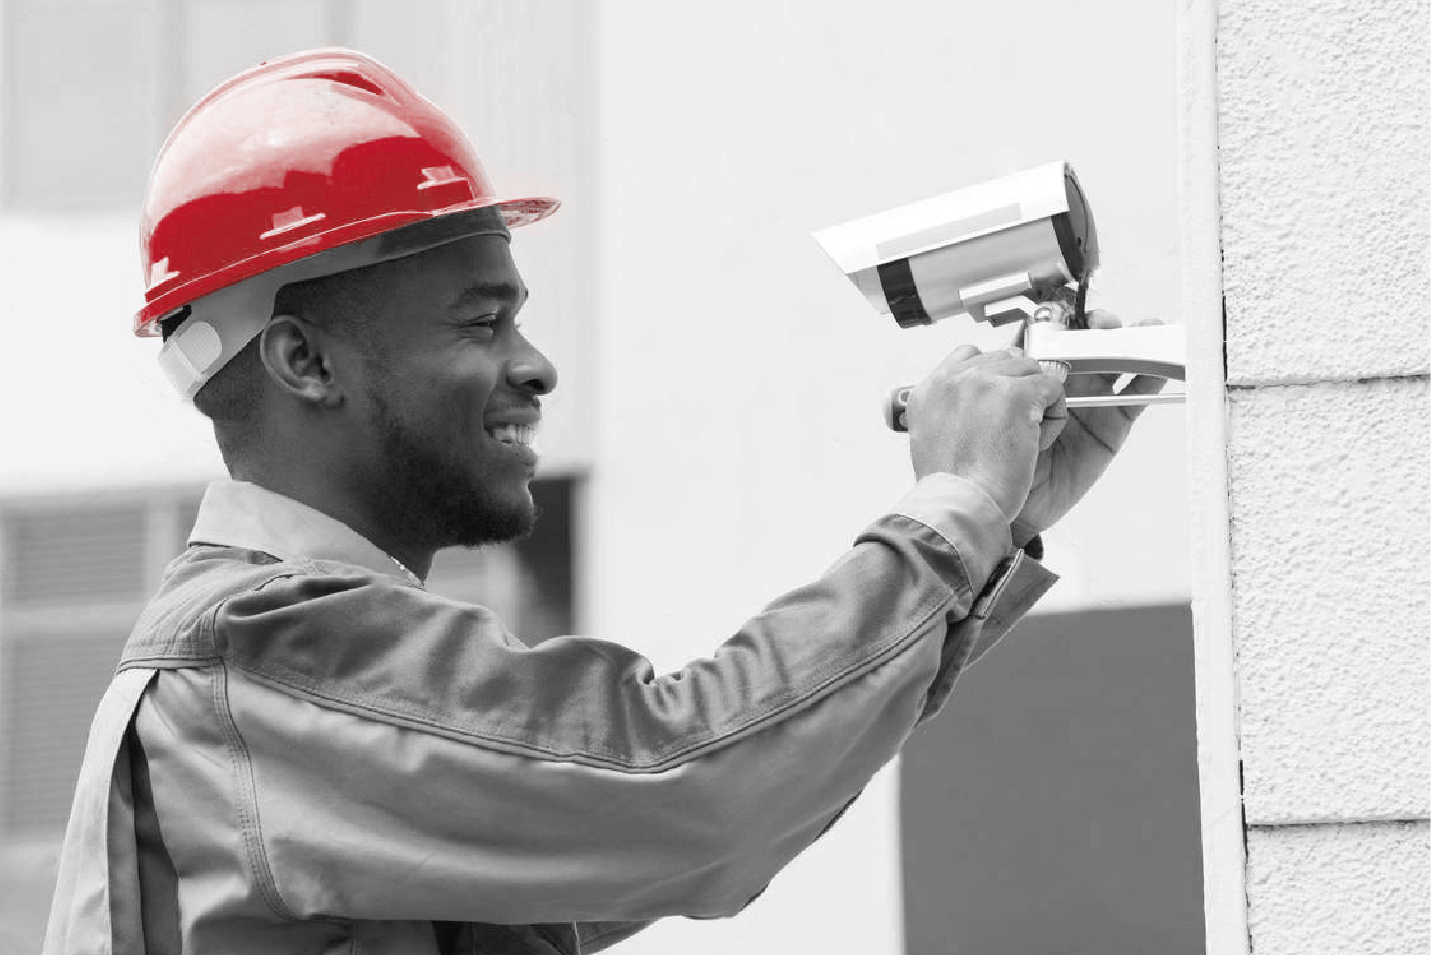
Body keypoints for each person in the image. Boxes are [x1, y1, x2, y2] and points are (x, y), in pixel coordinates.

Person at [44, 49, 1163, 955]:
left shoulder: (282, 677)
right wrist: (952, 512)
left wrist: (992, 527)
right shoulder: (267, 649)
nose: (535, 367)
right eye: (481, 322)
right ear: (303, 359)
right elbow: (687, 782)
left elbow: (701, 821)